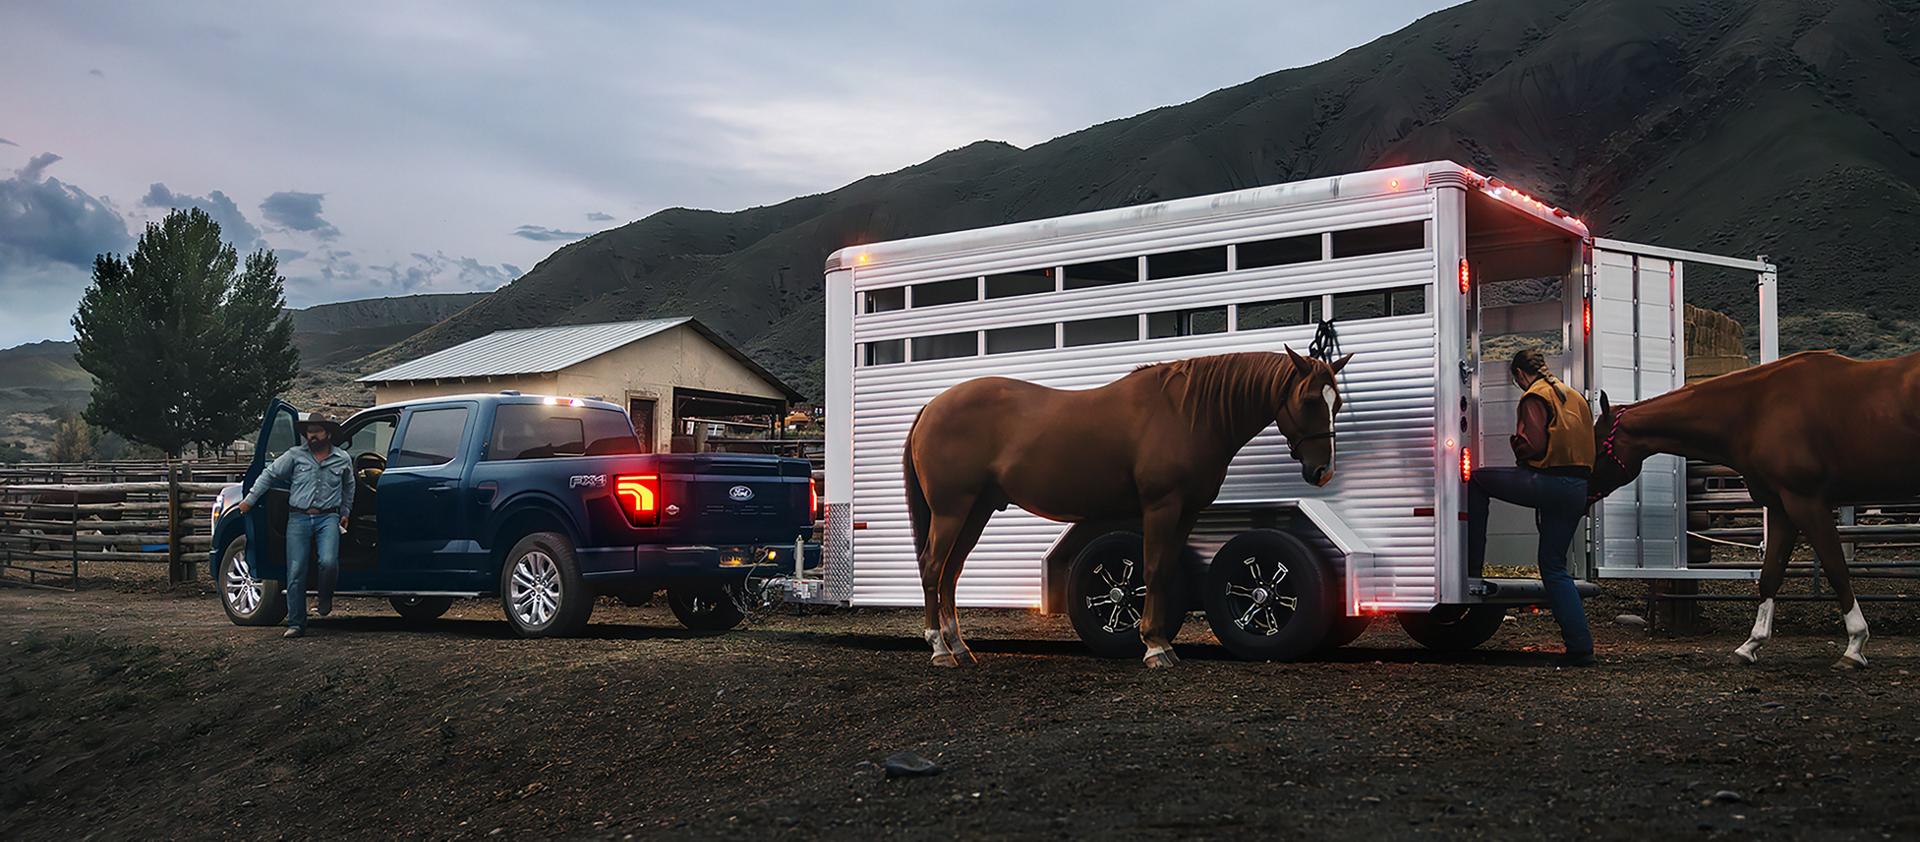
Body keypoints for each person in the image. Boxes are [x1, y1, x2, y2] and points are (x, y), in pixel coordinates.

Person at [1468, 349, 1597, 667]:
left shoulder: (1534, 397)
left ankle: (1470, 570)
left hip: (1549, 482)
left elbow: (1534, 445)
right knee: (1554, 567)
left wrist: (1517, 444)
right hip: (1577, 488)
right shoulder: (1573, 395)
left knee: (1477, 481)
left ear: (1520, 374)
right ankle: (1580, 648)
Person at [236, 412, 353, 638]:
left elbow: (349, 487)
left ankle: (325, 597)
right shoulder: (295, 456)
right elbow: (269, 474)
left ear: (327, 433)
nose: (313, 436)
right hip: (298, 518)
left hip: (328, 517)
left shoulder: (342, 458)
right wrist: (249, 500)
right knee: (296, 570)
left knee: (328, 562)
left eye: (317, 431)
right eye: (309, 432)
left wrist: (345, 512)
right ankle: (297, 623)